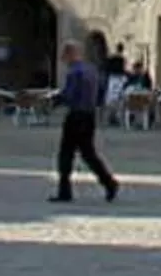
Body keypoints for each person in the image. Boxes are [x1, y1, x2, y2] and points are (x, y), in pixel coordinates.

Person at [50, 41, 119, 203]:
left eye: (65, 56)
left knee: (66, 153)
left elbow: (70, 95)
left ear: (70, 55)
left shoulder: (74, 72)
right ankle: (108, 182)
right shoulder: (92, 70)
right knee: (89, 154)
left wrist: (56, 99)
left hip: (76, 115)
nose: (63, 60)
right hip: (89, 115)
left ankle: (64, 190)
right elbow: (101, 91)